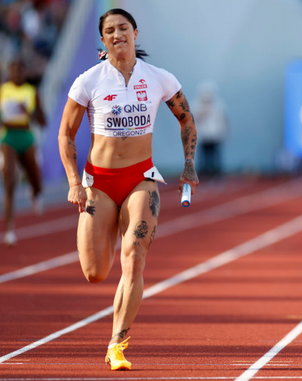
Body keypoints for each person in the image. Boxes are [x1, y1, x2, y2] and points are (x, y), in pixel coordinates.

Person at [57, 8, 198, 371]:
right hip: (98, 184)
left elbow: (186, 118)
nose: (118, 34)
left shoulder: (158, 78)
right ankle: (115, 332)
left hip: (140, 179)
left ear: (136, 32)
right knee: (96, 272)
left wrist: (188, 164)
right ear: (103, 40)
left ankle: (117, 343)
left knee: (134, 256)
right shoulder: (88, 81)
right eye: (110, 31)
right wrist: (74, 182)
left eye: (123, 28)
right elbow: (66, 135)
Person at [0, 59, 46, 246]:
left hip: (26, 137)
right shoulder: (3, 91)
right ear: (9, 72)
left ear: (25, 73)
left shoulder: (31, 92)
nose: (17, 74)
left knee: (35, 177)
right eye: (14, 70)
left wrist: (28, 113)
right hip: (8, 137)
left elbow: (43, 121)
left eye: (21, 70)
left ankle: (35, 192)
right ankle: (9, 229)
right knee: (9, 180)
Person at [192, 81, 227, 178]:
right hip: (203, 134)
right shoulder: (197, 105)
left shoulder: (218, 104)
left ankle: (216, 172)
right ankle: (204, 172)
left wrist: (223, 132)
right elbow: (195, 119)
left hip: (215, 134)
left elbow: (223, 119)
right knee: (204, 154)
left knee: (215, 154)